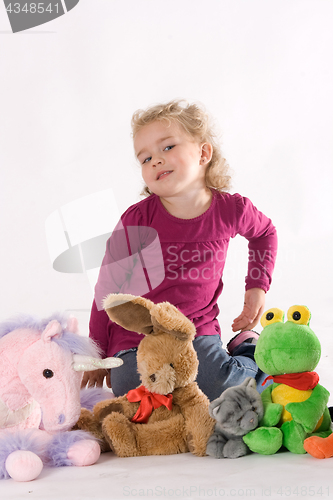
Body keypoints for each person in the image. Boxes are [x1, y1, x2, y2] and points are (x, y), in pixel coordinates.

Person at [81, 100, 277, 401]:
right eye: (145, 158)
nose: (156, 160)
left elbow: (264, 234)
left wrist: (257, 288)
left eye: (168, 147)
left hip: (195, 330)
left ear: (203, 153)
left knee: (222, 388)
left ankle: (249, 349)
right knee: (129, 390)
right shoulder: (137, 219)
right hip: (137, 336)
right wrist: (96, 352)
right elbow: (107, 290)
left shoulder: (231, 210)